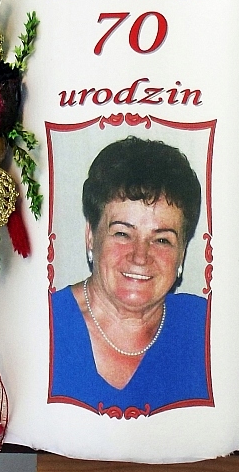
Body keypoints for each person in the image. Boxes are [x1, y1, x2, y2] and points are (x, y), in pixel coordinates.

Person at [49, 136, 211, 414]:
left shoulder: (208, 328)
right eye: (123, 233)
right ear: (91, 236)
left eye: (162, 239)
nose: (140, 256)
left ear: (182, 252)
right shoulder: (44, 324)